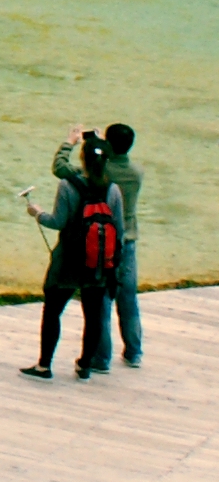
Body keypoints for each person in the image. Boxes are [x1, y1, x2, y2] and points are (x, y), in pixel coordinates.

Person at [20, 134, 117, 379]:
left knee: (53, 311)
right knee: (93, 315)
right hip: (97, 262)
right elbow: (119, 228)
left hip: (69, 259)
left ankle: (44, 365)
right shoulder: (112, 189)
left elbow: (58, 221)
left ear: (82, 158)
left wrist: (37, 213)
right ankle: (84, 365)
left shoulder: (67, 185)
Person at [52, 123, 146, 368]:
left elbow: (61, 168)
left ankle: (101, 357)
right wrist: (104, 144)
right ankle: (134, 352)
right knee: (128, 298)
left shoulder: (104, 174)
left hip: (103, 241)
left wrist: (70, 143)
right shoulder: (137, 172)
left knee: (100, 300)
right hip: (128, 240)